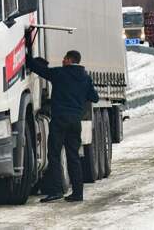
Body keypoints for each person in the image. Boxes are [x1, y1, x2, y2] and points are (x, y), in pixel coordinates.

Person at [27, 50, 99, 203]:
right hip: (75, 121)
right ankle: (78, 193)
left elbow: (41, 71)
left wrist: (28, 58)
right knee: (73, 156)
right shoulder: (85, 78)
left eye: (64, 58)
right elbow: (95, 97)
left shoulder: (60, 73)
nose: (62, 60)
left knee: (54, 154)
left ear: (69, 59)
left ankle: (56, 191)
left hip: (60, 120)